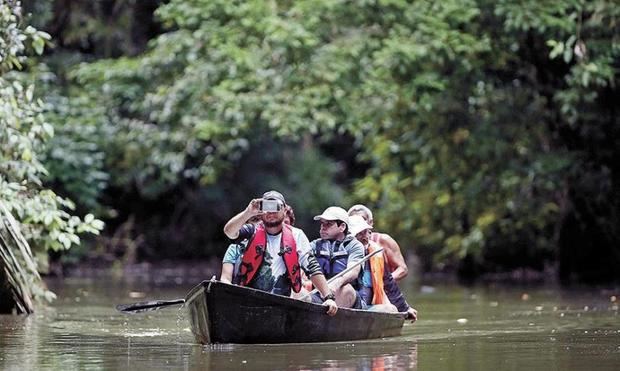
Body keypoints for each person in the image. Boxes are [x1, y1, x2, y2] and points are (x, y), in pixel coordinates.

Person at [223, 190, 337, 316]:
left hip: (281, 304)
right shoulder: (251, 231)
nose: (271, 212)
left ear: (284, 210)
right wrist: (248, 212)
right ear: (261, 210)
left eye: (276, 207)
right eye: (267, 207)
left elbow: (312, 266)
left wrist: (329, 297)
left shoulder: (296, 235)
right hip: (248, 301)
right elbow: (229, 232)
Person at [349, 215, 418, 320]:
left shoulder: (376, 254)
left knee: (391, 309)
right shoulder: (341, 252)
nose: (364, 237)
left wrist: (405, 308)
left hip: (368, 308)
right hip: (347, 306)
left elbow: (388, 283)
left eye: (366, 232)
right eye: (359, 234)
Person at [309, 206, 365, 308]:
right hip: (321, 296)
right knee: (298, 291)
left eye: (329, 224)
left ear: (342, 227)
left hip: (350, 298)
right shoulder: (314, 245)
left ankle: (332, 319)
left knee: (346, 289)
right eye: (322, 223)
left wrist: (335, 285)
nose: (323, 227)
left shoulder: (354, 245)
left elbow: (353, 272)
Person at [348, 204, 408, 281]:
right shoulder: (345, 244)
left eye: (363, 219)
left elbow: (403, 269)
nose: (359, 223)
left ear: (370, 222)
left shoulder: (383, 240)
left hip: (383, 288)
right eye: (354, 220)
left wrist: (384, 282)